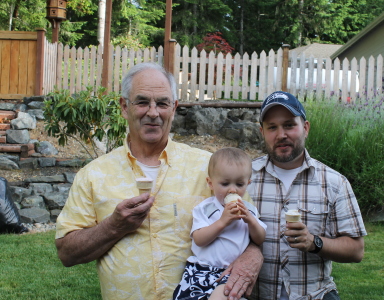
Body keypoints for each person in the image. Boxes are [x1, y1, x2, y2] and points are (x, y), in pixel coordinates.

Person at [54, 62, 263, 300]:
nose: (153, 112)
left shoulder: (211, 168)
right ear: (124, 106)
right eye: (142, 102)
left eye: (162, 103)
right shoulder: (93, 175)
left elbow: (249, 222)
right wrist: (113, 226)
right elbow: (66, 253)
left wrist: (253, 254)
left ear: (174, 108)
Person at [247, 91, 367, 300]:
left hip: (314, 295)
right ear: (262, 132)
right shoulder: (245, 179)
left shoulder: (334, 183)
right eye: (272, 127)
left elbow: (356, 250)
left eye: (289, 125)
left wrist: (314, 243)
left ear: (306, 128)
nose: (281, 134)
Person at [173, 147, 267, 300]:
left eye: (239, 184)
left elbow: (260, 238)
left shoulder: (249, 209)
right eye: (225, 184)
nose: (232, 190)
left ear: (248, 183)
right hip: (201, 269)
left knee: (223, 296)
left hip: (229, 273)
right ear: (210, 183)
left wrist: (251, 221)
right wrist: (222, 222)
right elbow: (199, 239)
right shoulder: (205, 208)